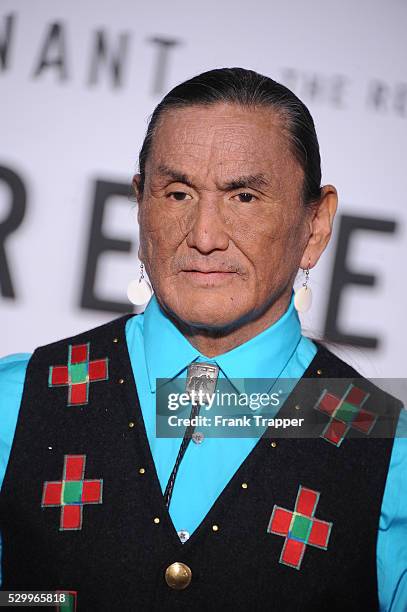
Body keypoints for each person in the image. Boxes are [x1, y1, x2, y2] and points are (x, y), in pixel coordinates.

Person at [0, 67, 406, 612]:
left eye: (243, 196)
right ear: (140, 204)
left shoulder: (387, 449)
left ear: (315, 227)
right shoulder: (19, 401)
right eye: (178, 193)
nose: (205, 237)